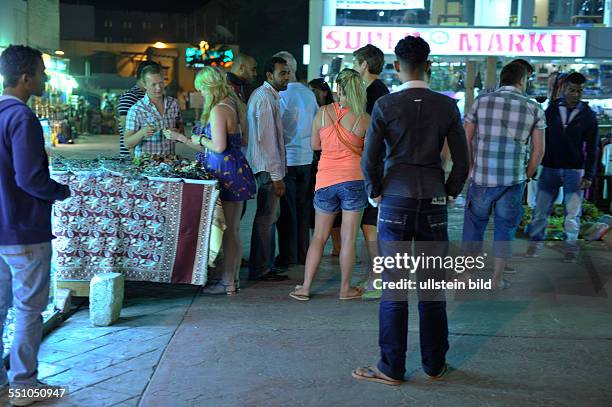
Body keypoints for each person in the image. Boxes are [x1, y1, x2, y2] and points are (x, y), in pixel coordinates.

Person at [352, 35, 469, 386]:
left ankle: (391, 367)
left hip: (395, 201)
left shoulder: (386, 106)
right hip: (432, 199)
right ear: (429, 66)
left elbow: (370, 158)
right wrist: (449, 193)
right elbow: (462, 160)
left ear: (396, 67)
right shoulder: (447, 107)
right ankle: (434, 365)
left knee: (394, 288)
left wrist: (375, 194)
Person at [0, 45, 71, 406]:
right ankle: (23, 385)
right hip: (24, 229)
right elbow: (30, 178)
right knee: (29, 309)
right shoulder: (22, 118)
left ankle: (3, 384)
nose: (44, 79)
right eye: (41, 73)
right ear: (25, 77)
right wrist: (59, 191)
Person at [165, 67, 256, 295]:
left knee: (227, 230)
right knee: (232, 229)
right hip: (234, 169)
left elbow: (218, 146)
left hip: (225, 173)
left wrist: (198, 138)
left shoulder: (218, 109)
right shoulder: (234, 105)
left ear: (210, 86)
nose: (201, 94)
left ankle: (227, 282)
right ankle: (231, 279)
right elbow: (234, 142)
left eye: (202, 90)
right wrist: (183, 138)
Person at [462, 62, 546, 289]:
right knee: (505, 228)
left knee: (473, 226)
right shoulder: (533, 107)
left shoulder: (481, 101)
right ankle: (497, 278)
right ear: (522, 81)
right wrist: (526, 175)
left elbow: (465, 138)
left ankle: (468, 275)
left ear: (502, 79)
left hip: (481, 178)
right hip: (513, 180)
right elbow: (539, 150)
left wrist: (470, 168)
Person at [289, 68, 369, 301]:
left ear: (338, 89)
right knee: (348, 238)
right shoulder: (364, 119)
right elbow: (371, 152)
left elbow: (315, 145)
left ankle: (304, 287)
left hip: (325, 181)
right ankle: (345, 289)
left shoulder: (322, 113)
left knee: (319, 237)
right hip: (354, 180)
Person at [525, 72, 599, 262]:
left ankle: (570, 248)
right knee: (541, 210)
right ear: (564, 89)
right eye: (572, 90)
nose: (575, 94)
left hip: (575, 170)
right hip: (549, 167)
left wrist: (589, 175)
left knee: (572, 213)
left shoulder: (588, 115)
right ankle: (535, 245)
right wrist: (534, 162)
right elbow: (540, 137)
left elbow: (593, 148)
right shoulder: (551, 110)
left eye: (579, 91)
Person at [272, 51, 319, 269]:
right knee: (302, 209)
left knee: (287, 212)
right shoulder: (309, 93)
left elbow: (278, 128)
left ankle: (288, 256)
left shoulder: (281, 95)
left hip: (288, 159)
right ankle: (302, 253)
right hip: (307, 157)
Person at [246, 57, 291, 282]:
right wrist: (276, 176)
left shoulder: (268, 96)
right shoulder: (264, 98)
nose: (287, 77)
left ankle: (264, 265)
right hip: (266, 167)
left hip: (265, 166)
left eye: (287, 72)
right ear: (269, 76)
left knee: (268, 218)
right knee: (267, 218)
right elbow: (267, 141)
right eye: (282, 73)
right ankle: (261, 268)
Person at [353, 44, 390, 300]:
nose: (356, 68)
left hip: (376, 167)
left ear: (364, 64)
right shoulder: (379, 91)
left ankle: (378, 277)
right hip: (376, 166)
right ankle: (376, 275)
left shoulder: (373, 93)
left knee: (371, 225)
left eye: (356, 63)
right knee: (370, 225)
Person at [307, 78, 342, 255]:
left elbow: (315, 143)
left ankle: (337, 247)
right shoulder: (317, 110)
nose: (311, 95)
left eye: (314, 91)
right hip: (321, 165)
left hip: (327, 165)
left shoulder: (327, 111)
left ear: (325, 92)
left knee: (331, 210)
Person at [124, 63, 183, 158]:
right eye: (154, 84)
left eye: (161, 83)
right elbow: (127, 143)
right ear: (145, 85)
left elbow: (181, 132)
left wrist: (176, 132)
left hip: (170, 163)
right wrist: (142, 133)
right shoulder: (136, 110)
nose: (159, 88)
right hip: (145, 166)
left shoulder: (174, 104)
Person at [117, 61, 158, 158]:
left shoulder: (152, 96)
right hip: (132, 158)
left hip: (152, 157)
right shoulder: (130, 96)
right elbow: (125, 125)